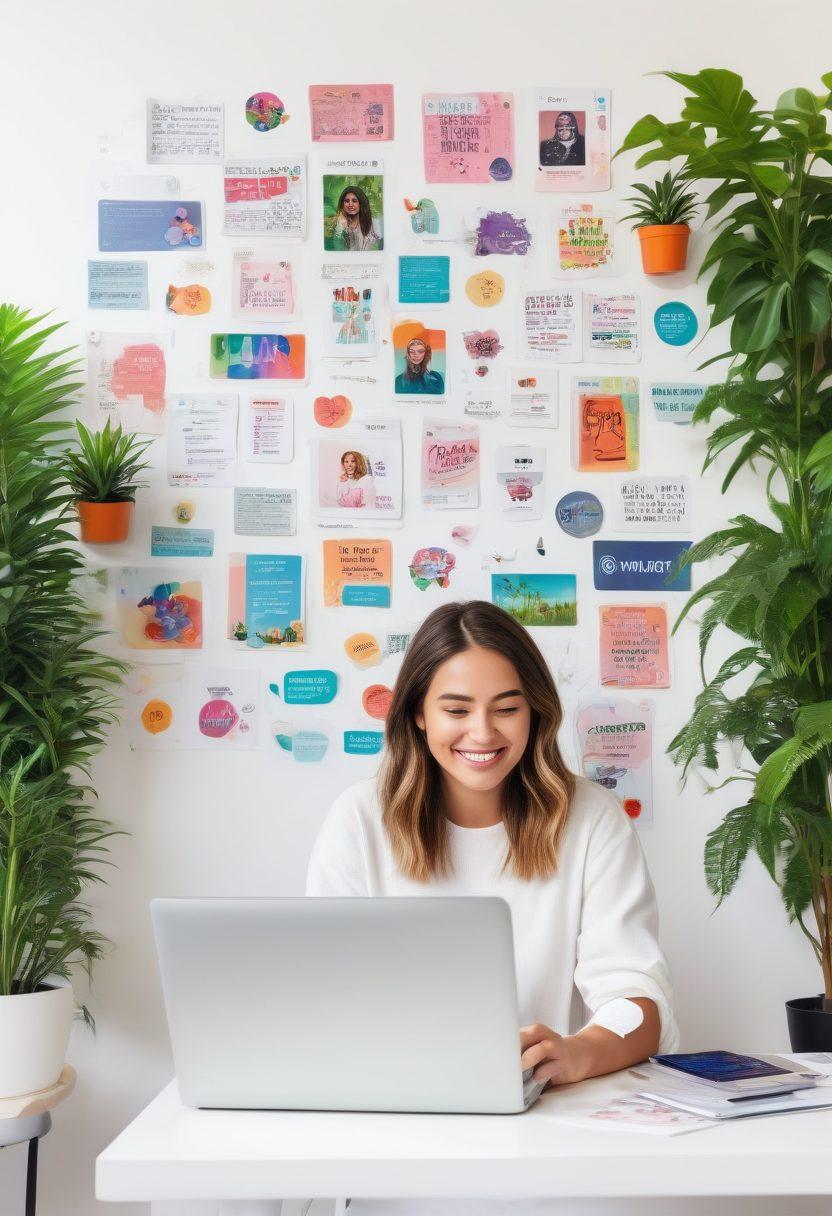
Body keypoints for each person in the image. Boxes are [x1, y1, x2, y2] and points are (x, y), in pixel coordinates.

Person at [307, 600, 678, 1215]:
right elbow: (322, 997)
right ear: (418, 716)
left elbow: (636, 1000)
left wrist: (580, 1050)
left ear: (535, 714)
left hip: (549, 1148)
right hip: (396, 1139)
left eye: (506, 709)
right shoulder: (359, 820)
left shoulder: (591, 820)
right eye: (456, 710)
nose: (483, 733)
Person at [331, 184, 382, 251]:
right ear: (342, 204)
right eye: (347, 201)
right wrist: (340, 226)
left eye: (354, 201)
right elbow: (338, 249)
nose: (350, 204)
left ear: (361, 203)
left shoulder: (374, 224)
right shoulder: (338, 224)